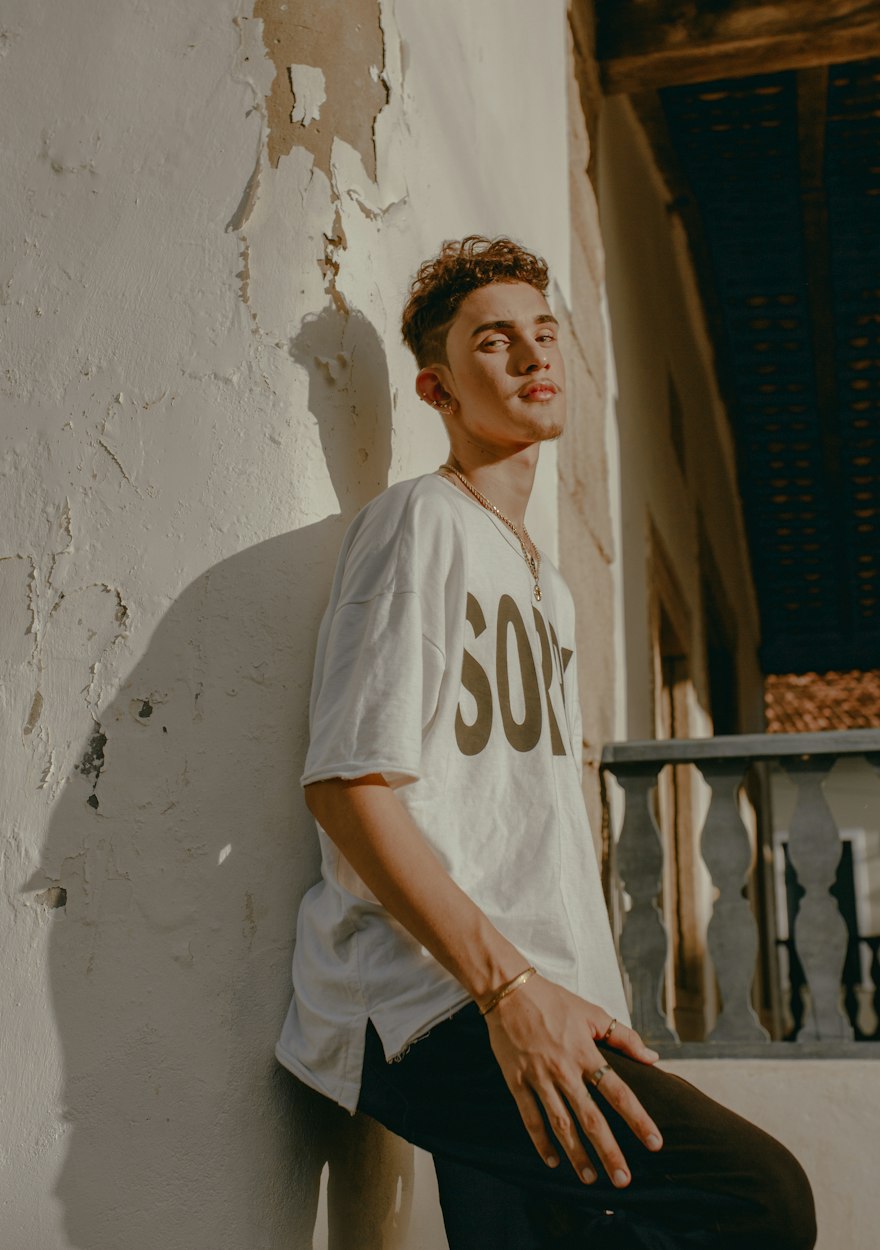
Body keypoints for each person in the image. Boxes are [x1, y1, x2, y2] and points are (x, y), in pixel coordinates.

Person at [276, 236, 817, 1249]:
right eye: (495, 341)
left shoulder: (547, 583)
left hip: (544, 996)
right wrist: (510, 992)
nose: (533, 357)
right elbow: (348, 784)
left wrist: (561, 993)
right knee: (761, 1199)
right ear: (436, 387)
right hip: (442, 999)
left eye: (543, 331)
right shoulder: (419, 524)